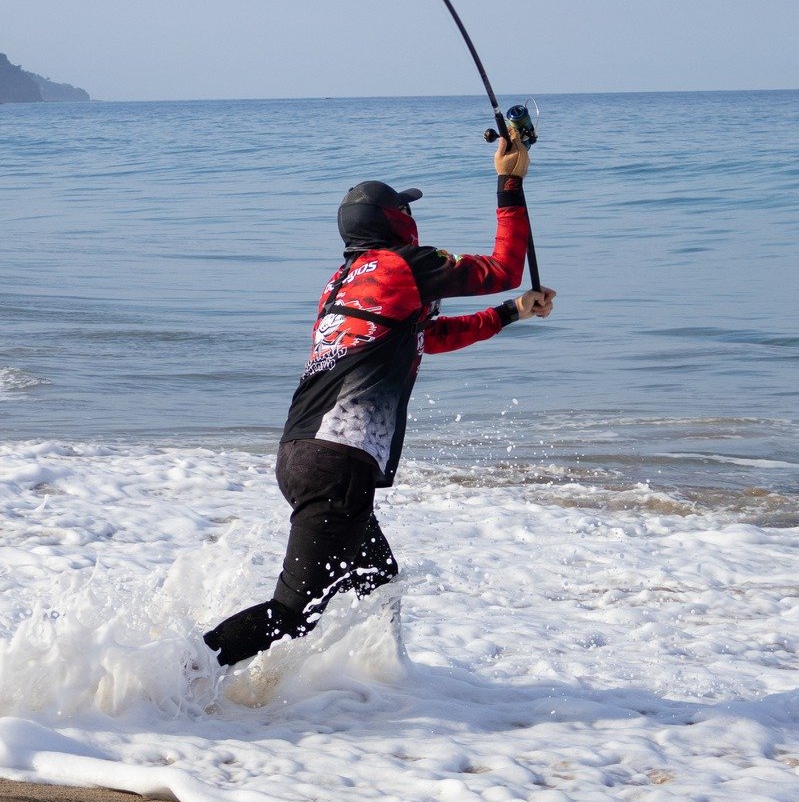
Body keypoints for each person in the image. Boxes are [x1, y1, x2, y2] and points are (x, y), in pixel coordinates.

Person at [203, 133, 555, 667]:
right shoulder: (403, 265)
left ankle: (374, 686)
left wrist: (511, 313)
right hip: (339, 461)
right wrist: (510, 183)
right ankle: (181, 672)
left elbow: (426, 337)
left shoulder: (341, 283)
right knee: (291, 614)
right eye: (406, 210)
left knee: (378, 579)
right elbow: (505, 268)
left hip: (299, 453)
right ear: (396, 221)